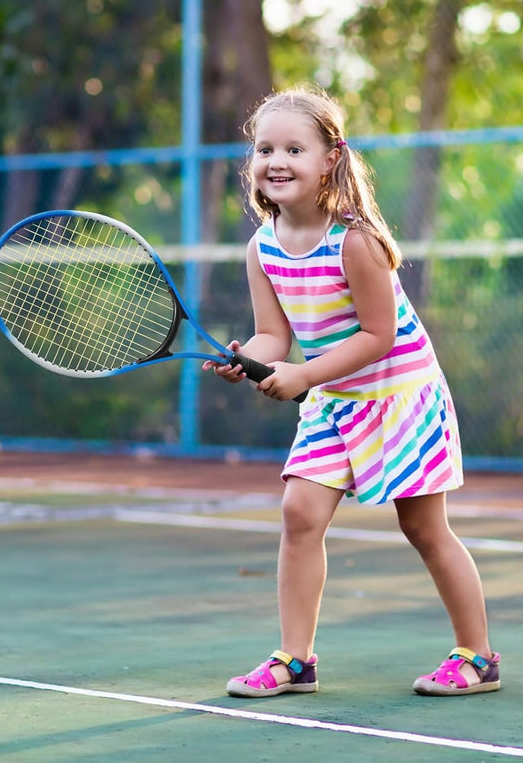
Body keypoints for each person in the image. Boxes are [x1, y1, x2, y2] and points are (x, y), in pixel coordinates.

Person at [203, 85, 500, 698]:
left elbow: (379, 336)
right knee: (298, 512)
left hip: (401, 396)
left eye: (293, 148)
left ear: (330, 159)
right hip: (335, 404)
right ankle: (295, 659)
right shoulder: (262, 247)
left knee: (423, 528)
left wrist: (304, 376)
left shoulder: (357, 241)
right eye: (264, 148)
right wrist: (247, 360)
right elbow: (271, 336)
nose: (275, 161)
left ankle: (477, 656)